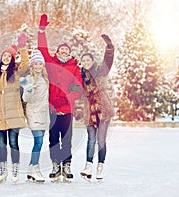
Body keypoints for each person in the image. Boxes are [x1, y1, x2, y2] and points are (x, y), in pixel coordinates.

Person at [37, 14, 83, 182]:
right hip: (52, 109)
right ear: (57, 51)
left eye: (67, 50)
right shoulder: (51, 62)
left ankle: (67, 164)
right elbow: (42, 49)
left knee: (67, 139)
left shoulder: (74, 67)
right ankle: (56, 165)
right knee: (53, 138)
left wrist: (67, 98)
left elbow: (78, 88)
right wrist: (41, 31)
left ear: (70, 53)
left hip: (67, 108)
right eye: (61, 49)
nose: (64, 51)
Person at [0, 32, 28, 184]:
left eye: (9, 56)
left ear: (12, 59)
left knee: (14, 143)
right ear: (1, 57)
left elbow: (25, 65)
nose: (6, 58)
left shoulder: (16, 71)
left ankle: (15, 170)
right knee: (1, 144)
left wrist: (22, 48)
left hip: (13, 111)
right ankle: (3, 170)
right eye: (5, 56)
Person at [79, 34, 115, 180]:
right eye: (83, 60)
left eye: (88, 60)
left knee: (101, 140)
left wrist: (109, 47)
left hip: (104, 110)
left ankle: (100, 167)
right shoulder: (80, 76)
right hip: (90, 112)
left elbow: (108, 60)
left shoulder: (101, 71)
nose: (86, 62)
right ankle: (88, 167)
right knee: (91, 140)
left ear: (92, 61)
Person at [20, 50, 49, 183]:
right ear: (32, 66)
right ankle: (35, 168)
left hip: (43, 113)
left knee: (39, 142)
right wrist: (29, 90)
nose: (38, 66)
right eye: (35, 64)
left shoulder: (45, 79)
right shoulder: (29, 79)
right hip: (33, 113)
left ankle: (31, 169)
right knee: (38, 141)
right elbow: (25, 99)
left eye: (40, 64)